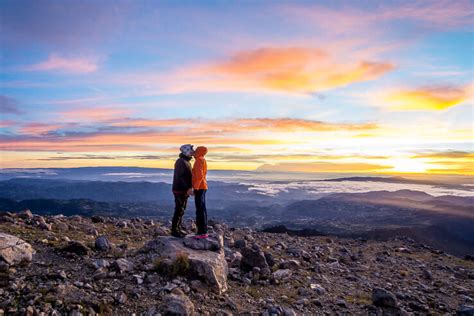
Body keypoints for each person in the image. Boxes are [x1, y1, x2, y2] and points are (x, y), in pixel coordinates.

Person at [171, 144, 194, 238]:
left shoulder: (186, 162)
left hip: (182, 190)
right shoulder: (181, 162)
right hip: (179, 190)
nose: (193, 151)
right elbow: (180, 177)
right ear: (186, 151)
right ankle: (174, 231)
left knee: (181, 210)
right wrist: (187, 188)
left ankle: (178, 229)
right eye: (191, 149)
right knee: (179, 210)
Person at [192, 146, 208, 238]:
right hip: (204, 186)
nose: (194, 152)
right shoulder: (203, 159)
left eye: (196, 150)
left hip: (200, 187)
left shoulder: (198, 160)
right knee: (202, 209)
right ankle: (203, 231)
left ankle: (201, 232)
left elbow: (199, 175)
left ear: (199, 152)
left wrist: (195, 188)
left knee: (200, 209)